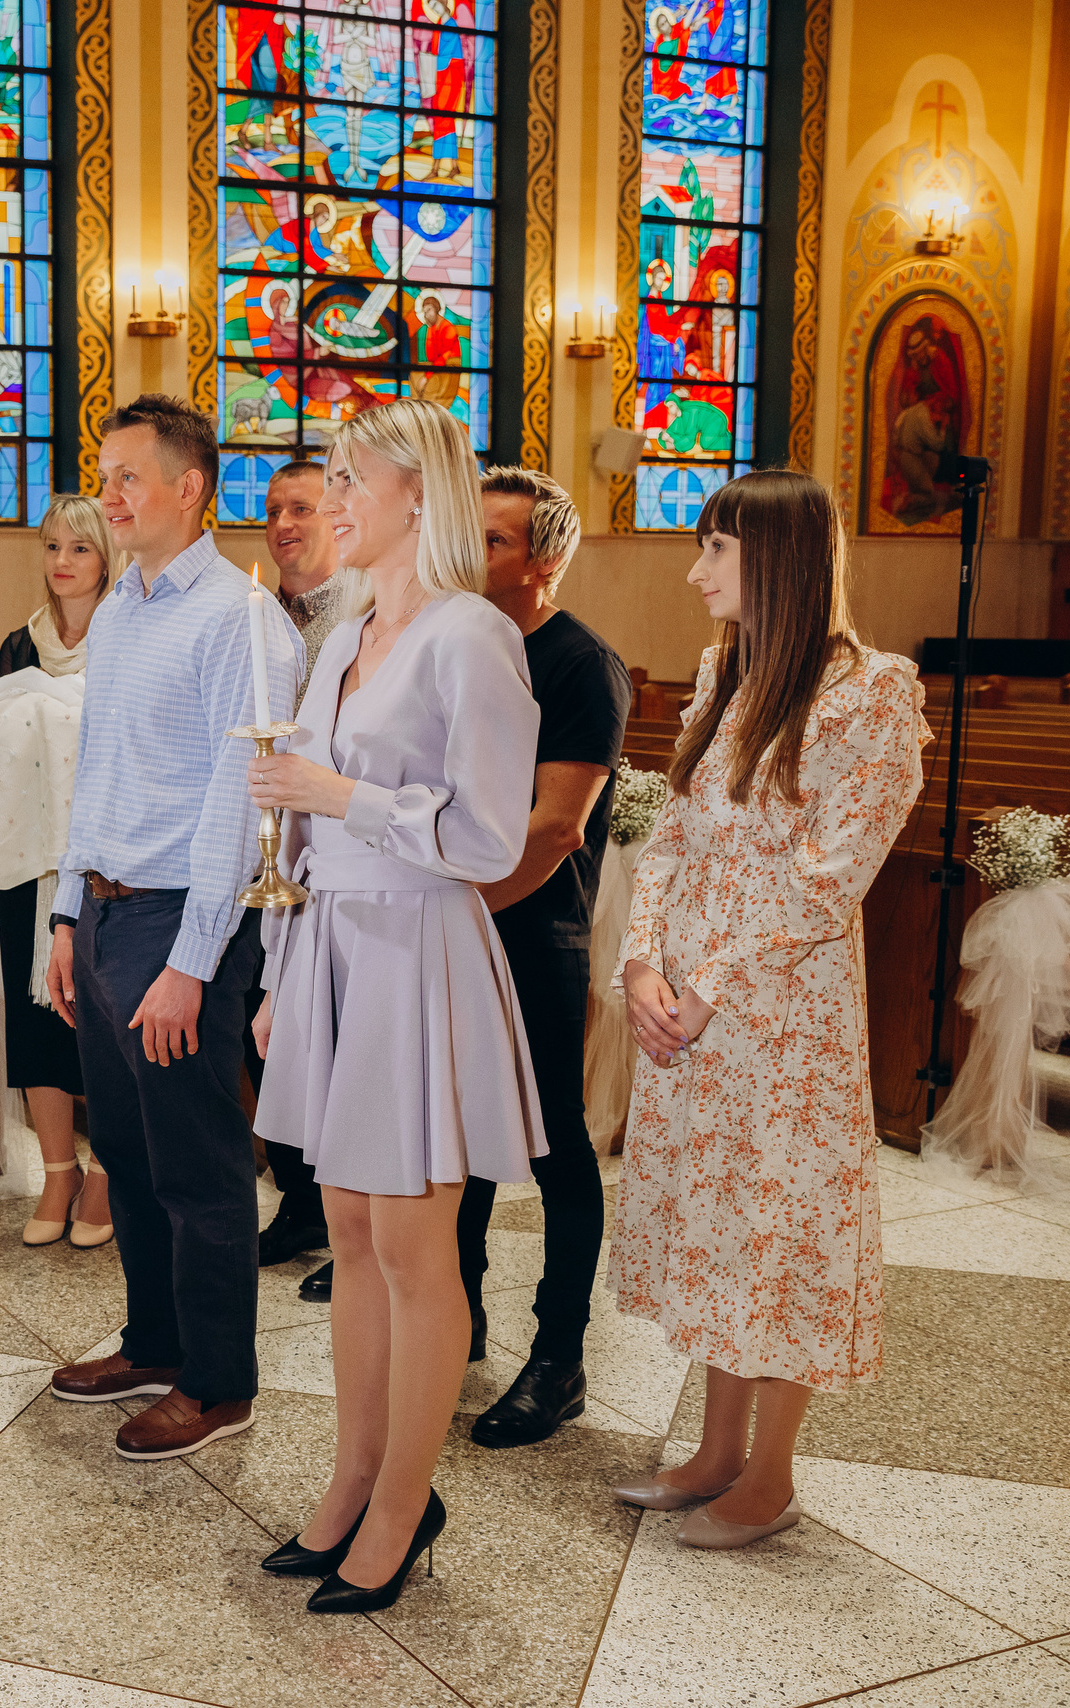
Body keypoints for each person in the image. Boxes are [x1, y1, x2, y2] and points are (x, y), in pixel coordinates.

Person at [246, 397, 543, 1614]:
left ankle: (403, 1503)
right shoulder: (345, 635)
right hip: (332, 946)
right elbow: (299, 832)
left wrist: (338, 793)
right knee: (352, 1236)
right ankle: (352, 1479)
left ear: (417, 493)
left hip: (417, 947)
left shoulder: (471, 635)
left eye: (346, 478)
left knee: (417, 1250)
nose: (329, 498)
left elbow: (488, 836)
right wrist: (279, 974)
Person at [609, 470, 927, 1548]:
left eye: (715, 550)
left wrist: (709, 986)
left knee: (781, 1229)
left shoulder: (873, 693)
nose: (695, 571)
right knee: (717, 1225)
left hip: (784, 1016)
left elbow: (829, 878)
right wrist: (642, 964)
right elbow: (671, 834)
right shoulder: (723, 674)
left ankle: (772, 1475)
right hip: (688, 1004)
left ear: (780, 560)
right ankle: (714, 1449)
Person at [40, 395, 301, 1461]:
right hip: (106, 913)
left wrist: (192, 963)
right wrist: (65, 913)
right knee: (128, 1150)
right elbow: (96, 769)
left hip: (178, 922)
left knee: (197, 1164)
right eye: (105, 477)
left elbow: (240, 802)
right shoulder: (121, 609)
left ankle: (218, 1382)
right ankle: (153, 1342)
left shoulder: (240, 619)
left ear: (188, 489)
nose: (108, 497)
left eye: (127, 479)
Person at [456, 467, 630, 1443]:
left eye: (493, 539)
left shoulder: (579, 663)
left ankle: (558, 1357)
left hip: (534, 931)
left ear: (545, 559)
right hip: (457, 926)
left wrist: (454, 908)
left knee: (554, 1145)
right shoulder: (460, 648)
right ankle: (458, 1314)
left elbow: (556, 826)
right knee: (458, 1136)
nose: (470, 551)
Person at [0, 493, 112, 1248]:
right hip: (27, 855)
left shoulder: (125, 636)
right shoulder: (20, 645)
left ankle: (105, 1176)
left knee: (97, 1022)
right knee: (35, 1021)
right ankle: (57, 1172)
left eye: (80, 548)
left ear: (107, 557)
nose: (63, 561)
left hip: (100, 861)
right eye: (51, 546)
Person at [252, 457, 343, 1270]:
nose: (283, 524)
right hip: (259, 851)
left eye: (301, 508)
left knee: (328, 1041)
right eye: (274, 509)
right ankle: (299, 1200)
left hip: (330, 853)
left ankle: (340, 1215)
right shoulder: (254, 616)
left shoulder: (359, 618)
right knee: (264, 1033)